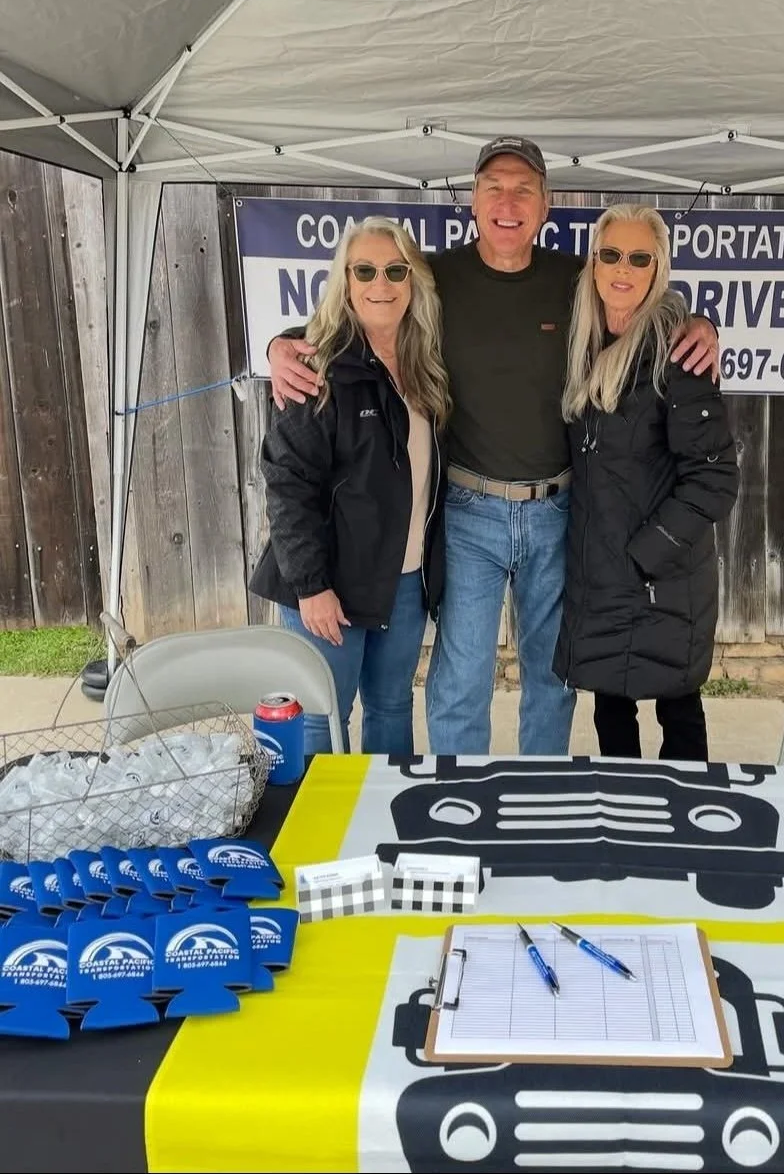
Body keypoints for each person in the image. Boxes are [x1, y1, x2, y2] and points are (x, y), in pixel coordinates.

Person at [267, 136, 720, 757]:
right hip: (469, 509)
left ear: (546, 205)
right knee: (460, 679)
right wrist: (284, 343)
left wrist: (698, 322)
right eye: (493, 189)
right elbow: (364, 306)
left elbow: (641, 302)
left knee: (552, 680)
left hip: (559, 510)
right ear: (473, 202)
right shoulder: (433, 276)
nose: (507, 202)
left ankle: (535, 805)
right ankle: (463, 806)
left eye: (523, 189)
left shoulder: (577, 281)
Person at [249, 217, 450, 755]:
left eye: (394, 270)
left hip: (404, 582)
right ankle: (318, 836)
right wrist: (311, 586)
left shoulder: (427, 363)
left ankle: (388, 820)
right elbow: (288, 485)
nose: (380, 283)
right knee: (322, 719)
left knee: (390, 708)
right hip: (329, 586)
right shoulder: (314, 365)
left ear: (413, 280)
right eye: (365, 270)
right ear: (346, 279)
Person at [553, 205, 739, 761]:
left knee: (679, 712)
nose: (622, 269)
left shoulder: (679, 354)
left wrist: (643, 557)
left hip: (661, 580)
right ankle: (623, 830)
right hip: (602, 576)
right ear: (593, 262)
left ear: (657, 267)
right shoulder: (582, 344)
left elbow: (714, 478)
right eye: (611, 254)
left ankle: (687, 834)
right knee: (612, 714)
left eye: (639, 258)